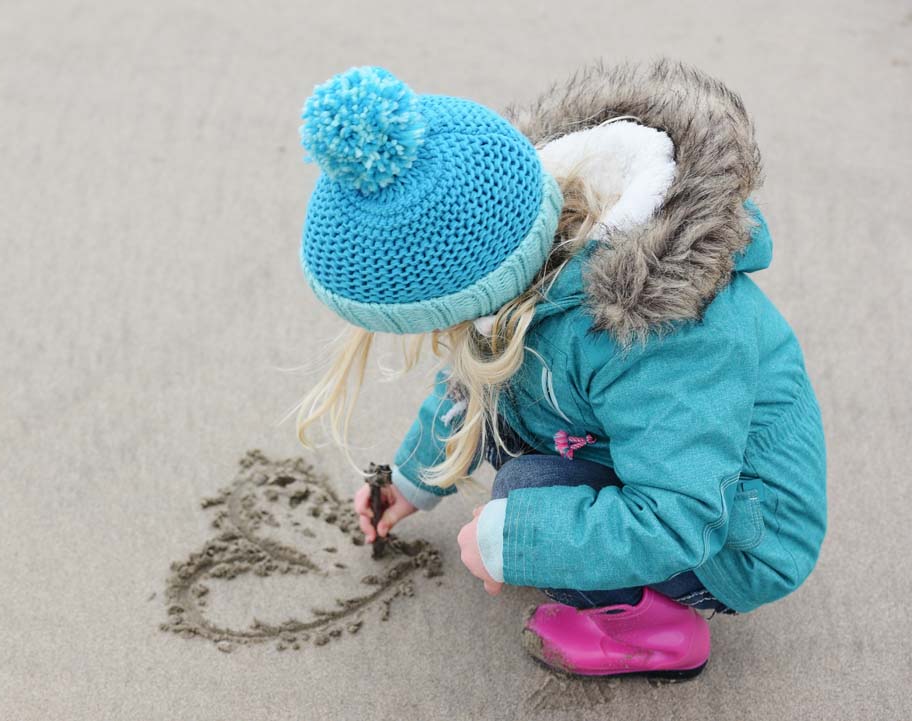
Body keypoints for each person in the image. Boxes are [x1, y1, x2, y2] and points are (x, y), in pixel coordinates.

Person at [293, 61, 826, 679]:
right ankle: (574, 538)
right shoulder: (522, 237)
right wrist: (412, 482)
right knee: (503, 421)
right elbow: (474, 382)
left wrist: (516, 539)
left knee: (524, 489)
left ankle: (651, 633)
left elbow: (683, 517)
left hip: (739, 535)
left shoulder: (658, 336)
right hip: (654, 453)